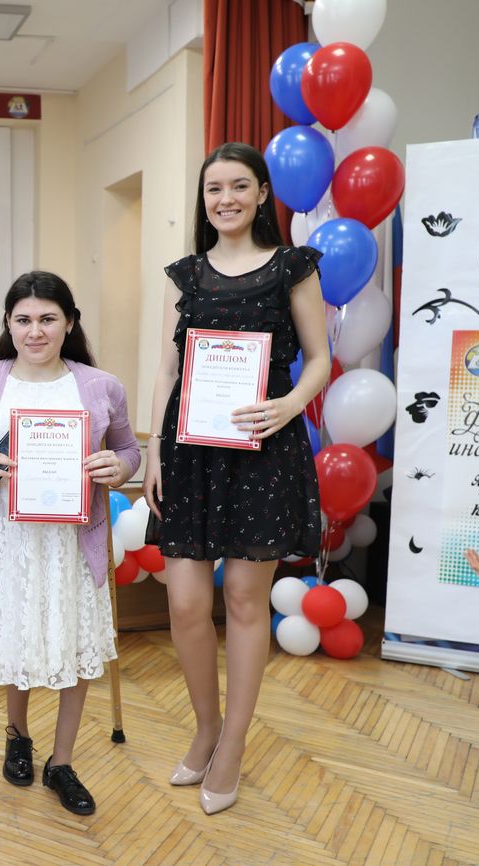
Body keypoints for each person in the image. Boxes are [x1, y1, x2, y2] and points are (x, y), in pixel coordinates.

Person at [143, 142, 330, 815]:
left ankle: (233, 745)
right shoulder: (185, 274)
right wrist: (154, 449)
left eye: (239, 186)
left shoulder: (292, 267)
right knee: (186, 604)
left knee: (247, 603)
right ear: (204, 199)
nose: (225, 199)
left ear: (261, 194)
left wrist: (289, 405)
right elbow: (169, 369)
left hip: (263, 451)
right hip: (188, 452)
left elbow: (320, 359)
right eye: (214, 188)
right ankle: (206, 727)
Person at [0, 271, 140, 815]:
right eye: (23, 319)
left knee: (73, 642)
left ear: (69, 323)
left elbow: (128, 452)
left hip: (73, 541)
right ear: (8, 323)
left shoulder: (101, 386)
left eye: (48, 319)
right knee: (18, 637)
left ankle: (62, 762)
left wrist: (118, 467)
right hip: (10, 539)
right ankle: (17, 735)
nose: (35, 331)